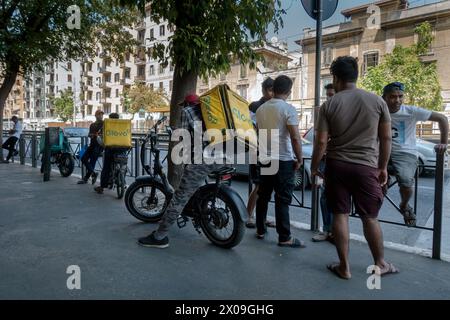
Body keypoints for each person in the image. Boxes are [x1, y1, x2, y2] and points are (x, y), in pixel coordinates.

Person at [311, 56, 398, 279]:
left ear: (336, 78)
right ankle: (380, 263)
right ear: (355, 76)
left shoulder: (328, 105)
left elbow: (321, 142)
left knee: (340, 215)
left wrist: (314, 167)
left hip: (337, 165)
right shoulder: (377, 101)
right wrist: (383, 167)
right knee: (370, 217)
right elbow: (386, 138)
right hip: (367, 167)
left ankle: (344, 267)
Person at [138, 94, 221, 248]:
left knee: (179, 198)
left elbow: (180, 135)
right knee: (198, 186)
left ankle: (159, 237)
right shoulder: (212, 113)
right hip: (223, 157)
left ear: (187, 104)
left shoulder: (187, 112)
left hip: (203, 160)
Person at [382, 82, 449, 227]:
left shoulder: (410, 111)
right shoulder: (379, 110)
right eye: (393, 97)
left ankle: (404, 205)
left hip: (405, 152)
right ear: (385, 97)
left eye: (400, 96)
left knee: (406, 181)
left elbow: (442, 119)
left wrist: (443, 142)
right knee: (371, 181)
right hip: (381, 151)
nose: (398, 100)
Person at [255, 75, 305, 248]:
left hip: (266, 157)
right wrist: (299, 158)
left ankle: (260, 229)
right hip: (282, 159)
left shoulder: (261, 109)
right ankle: (284, 237)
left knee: (264, 195)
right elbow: (295, 138)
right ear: (289, 92)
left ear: (273, 89)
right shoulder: (288, 109)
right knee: (282, 198)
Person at [246, 77, 276, 229]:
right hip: (257, 149)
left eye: (273, 90)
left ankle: (261, 218)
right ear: (264, 90)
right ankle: (248, 216)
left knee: (266, 187)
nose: (272, 93)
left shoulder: (275, 105)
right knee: (258, 185)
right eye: (269, 90)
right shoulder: (255, 106)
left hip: (271, 149)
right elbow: (251, 127)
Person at [312, 83, 335, 242]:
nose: (329, 98)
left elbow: (321, 141)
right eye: (327, 95)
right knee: (326, 197)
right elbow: (319, 139)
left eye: (332, 95)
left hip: (338, 160)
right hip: (328, 159)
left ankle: (333, 232)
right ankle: (329, 230)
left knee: (332, 198)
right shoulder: (324, 111)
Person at [94, 113, 128, 194]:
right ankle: (123, 181)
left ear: (110, 118)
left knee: (106, 168)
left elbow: (101, 137)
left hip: (110, 149)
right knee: (123, 166)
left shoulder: (107, 125)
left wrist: (99, 138)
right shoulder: (124, 124)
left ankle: (102, 187)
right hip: (122, 149)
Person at [78, 110, 104, 184]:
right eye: (99, 114)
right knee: (83, 158)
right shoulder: (92, 125)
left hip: (99, 146)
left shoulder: (104, 124)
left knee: (92, 162)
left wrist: (99, 135)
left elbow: (106, 134)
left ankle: (86, 179)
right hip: (92, 145)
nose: (101, 116)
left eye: (101, 114)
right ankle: (93, 173)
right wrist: (92, 135)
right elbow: (89, 134)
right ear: (95, 116)